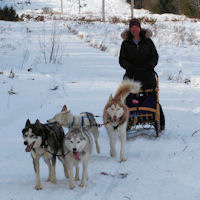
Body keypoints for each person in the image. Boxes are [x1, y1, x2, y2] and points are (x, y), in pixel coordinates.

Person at [119, 18, 165, 130]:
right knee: (129, 96)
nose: (134, 29)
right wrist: (128, 67)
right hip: (132, 74)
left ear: (140, 28)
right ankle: (128, 118)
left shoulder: (148, 42)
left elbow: (155, 56)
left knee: (152, 95)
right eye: (132, 27)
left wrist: (150, 66)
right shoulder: (125, 44)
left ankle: (159, 120)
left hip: (147, 74)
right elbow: (122, 59)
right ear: (130, 29)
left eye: (136, 27)